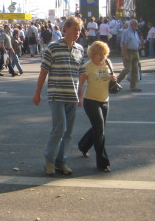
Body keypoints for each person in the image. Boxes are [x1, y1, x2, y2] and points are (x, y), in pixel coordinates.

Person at [32, 16, 85, 176]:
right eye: (75, 29)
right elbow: (44, 71)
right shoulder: (53, 47)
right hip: (56, 94)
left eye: (79, 30)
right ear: (66, 29)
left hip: (72, 95)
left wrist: (80, 95)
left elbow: (81, 74)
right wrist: (37, 92)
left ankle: (61, 162)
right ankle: (49, 161)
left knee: (68, 132)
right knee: (59, 129)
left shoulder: (80, 49)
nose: (77, 33)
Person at [77, 41, 115, 172]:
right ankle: (102, 162)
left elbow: (109, 79)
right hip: (91, 101)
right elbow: (80, 84)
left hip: (105, 100)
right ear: (93, 54)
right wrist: (80, 98)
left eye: (104, 54)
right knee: (100, 131)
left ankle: (83, 145)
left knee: (98, 128)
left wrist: (113, 79)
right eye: (99, 54)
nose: (102, 57)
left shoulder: (108, 63)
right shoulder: (87, 66)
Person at [117, 19, 141, 91]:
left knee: (135, 69)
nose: (137, 26)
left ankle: (133, 86)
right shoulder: (126, 31)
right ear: (131, 25)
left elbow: (138, 42)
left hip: (135, 52)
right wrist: (125, 55)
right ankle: (116, 82)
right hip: (128, 51)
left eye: (137, 25)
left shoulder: (135, 32)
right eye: (135, 24)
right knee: (127, 69)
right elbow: (124, 43)